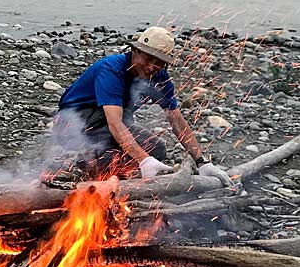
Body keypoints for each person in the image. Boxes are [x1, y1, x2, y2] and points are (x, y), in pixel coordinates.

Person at [51, 26, 232, 185]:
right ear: (135, 51)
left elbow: (176, 119)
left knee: (157, 149)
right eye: (148, 58)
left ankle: (112, 172)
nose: (152, 66)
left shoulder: (159, 78)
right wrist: (144, 160)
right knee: (116, 153)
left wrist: (202, 161)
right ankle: (87, 165)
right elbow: (115, 123)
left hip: (110, 125)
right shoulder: (112, 70)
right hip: (73, 125)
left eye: (160, 62)